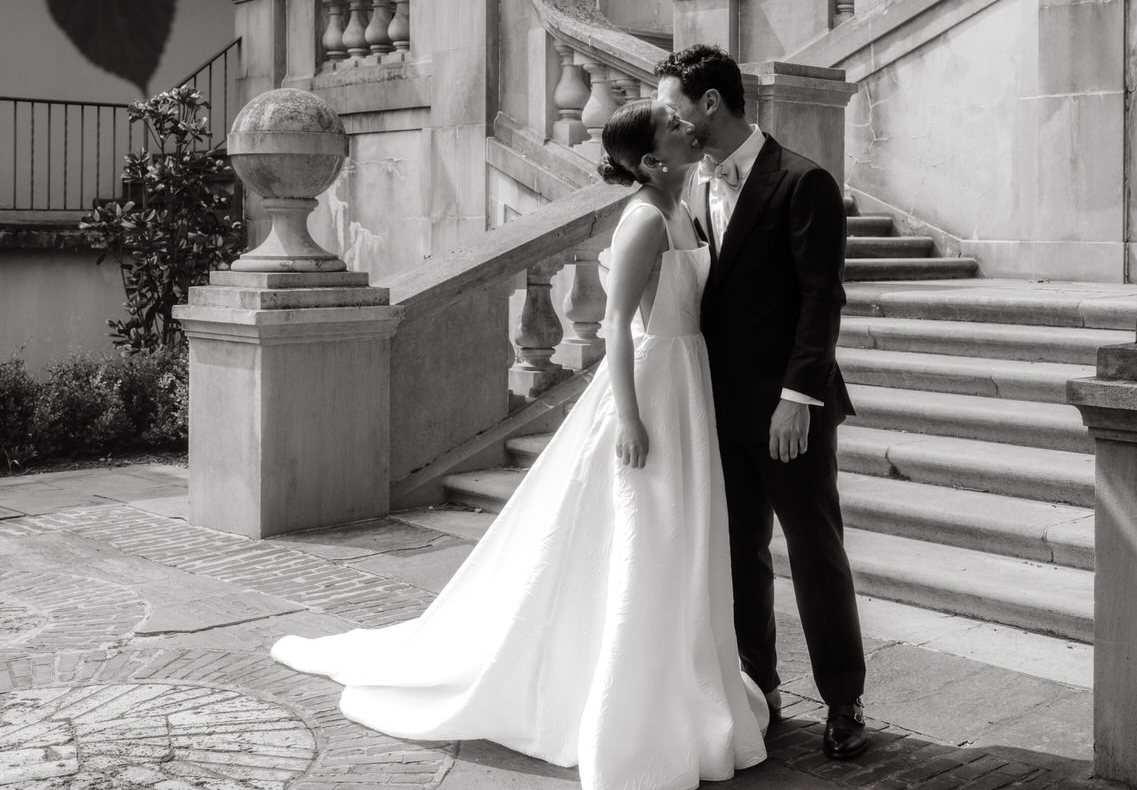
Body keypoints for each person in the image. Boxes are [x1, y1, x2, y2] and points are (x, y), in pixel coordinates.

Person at [270, 98, 768, 790]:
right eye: (673, 127)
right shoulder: (645, 220)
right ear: (652, 161)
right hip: (652, 388)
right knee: (644, 534)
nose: (688, 126)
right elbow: (618, 325)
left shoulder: (687, 208)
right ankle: (629, 703)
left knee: (680, 537)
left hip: (688, 384)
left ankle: (683, 680)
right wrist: (627, 418)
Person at [654, 45, 869, 761]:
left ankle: (844, 700)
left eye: (672, 107)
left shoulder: (803, 182)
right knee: (741, 553)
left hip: (790, 412)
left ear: (709, 103)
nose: (667, 119)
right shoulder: (688, 186)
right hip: (717, 408)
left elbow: (820, 299)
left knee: (815, 552)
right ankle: (760, 691)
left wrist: (797, 397)